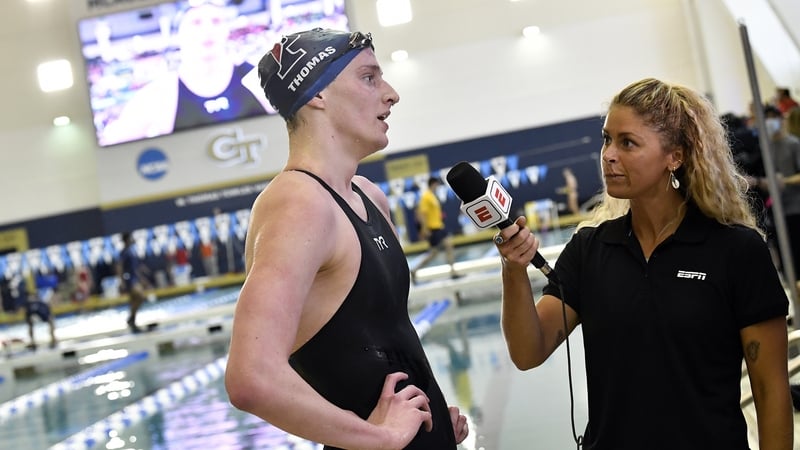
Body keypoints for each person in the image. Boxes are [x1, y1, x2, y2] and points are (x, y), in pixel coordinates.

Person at [493, 78, 792, 449]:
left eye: (627, 143)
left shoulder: (735, 250)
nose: (608, 155)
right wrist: (514, 269)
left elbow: (770, 389)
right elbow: (528, 352)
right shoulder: (590, 249)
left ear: (675, 157)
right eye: (607, 139)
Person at [224, 28, 468, 449]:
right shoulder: (299, 203)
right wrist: (380, 437)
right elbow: (251, 377)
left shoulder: (367, 196)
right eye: (369, 78)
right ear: (316, 94)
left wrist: (433, 422)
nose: (391, 94)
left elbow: (380, 344)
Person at [100, 0, 276, 145]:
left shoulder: (258, 80)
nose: (207, 30)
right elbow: (111, 148)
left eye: (216, 21)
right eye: (196, 22)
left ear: (226, 30)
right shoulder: (159, 95)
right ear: (179, 33)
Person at [410, 176, 460, 282]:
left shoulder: (432, 196)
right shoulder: (426, 196)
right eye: (437, 184)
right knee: (436, 252)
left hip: (439, 226)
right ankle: (415, 270)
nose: (438, 187)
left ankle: (453, 272)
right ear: (433, 184)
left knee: (444, 248)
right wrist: (425, 229)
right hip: (433, 228)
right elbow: (422, 214)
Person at [117, 232, 152, 333]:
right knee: (140, 296)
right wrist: (121, 281)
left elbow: (136, 267)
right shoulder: (124, 252)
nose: (133, 239)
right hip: (128, 278)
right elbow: (119, 266)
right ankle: (131, 319)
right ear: (127, 240)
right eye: (131, 238)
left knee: (135, 300)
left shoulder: (132, 251)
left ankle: (132, 320)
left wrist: (142, 277)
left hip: (134, 278)